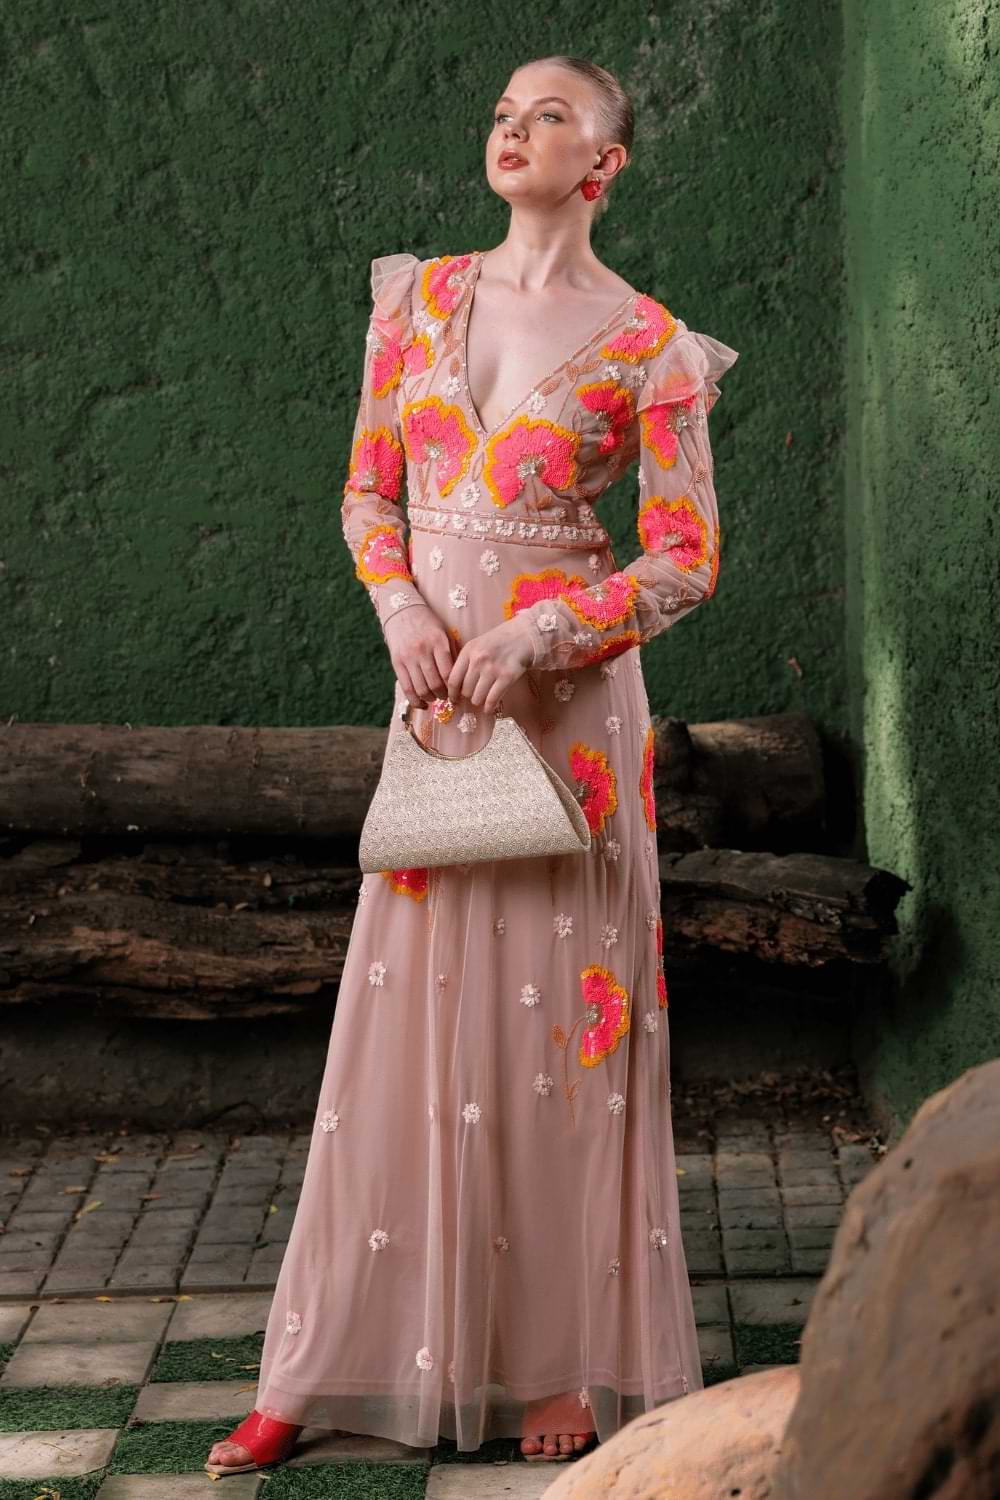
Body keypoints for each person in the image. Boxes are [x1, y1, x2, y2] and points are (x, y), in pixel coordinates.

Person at [205, 51, 738, 1478]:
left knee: (561, 1028)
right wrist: (402, 611)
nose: (515, 128)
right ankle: (322, 1355)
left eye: (549, 113)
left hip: (567, 721)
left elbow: (688, 562)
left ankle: (565, 1353)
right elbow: (368, 487)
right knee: (398, 1029)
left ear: (606, 161)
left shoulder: (653, 348)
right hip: (435, 692)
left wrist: (545, 636)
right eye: (505, 111)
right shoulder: (419, 298)